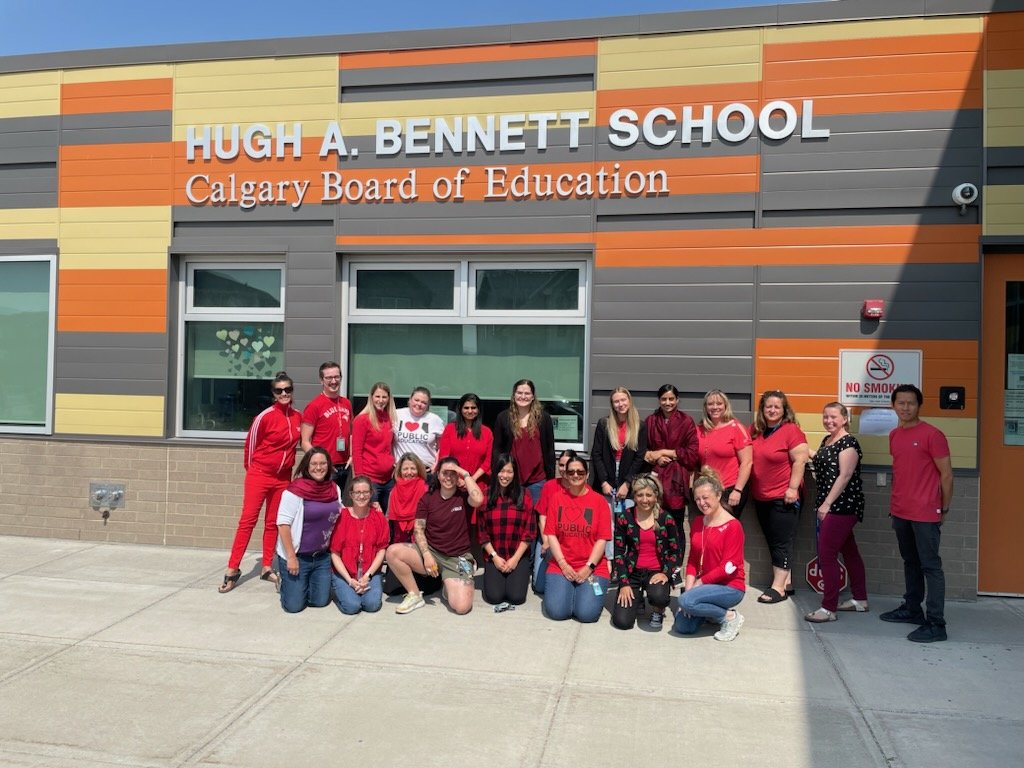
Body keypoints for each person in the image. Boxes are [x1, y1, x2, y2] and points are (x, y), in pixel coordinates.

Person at [881, 384, 953, 643]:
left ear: (919, 405)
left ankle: (936, 623)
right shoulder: (894, 435)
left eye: (911, 403)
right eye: (900, 403)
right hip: (901, 511)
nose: (905, 407)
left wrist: (944, 507)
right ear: (893, 405)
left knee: (931, 566)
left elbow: (946, 474)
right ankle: (913, 609)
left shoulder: (933, 435)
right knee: (910, 562)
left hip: (926, 512)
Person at [219, 371, 301, 593]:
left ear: (292, 391)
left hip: (282, 477)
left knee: (274, 521)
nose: (284, 393)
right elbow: (250, 448)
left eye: (288, 389)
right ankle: (232, 568)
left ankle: (266, 565)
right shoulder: (264, 416)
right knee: (247, 521)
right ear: (273, 394)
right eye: (279, 390)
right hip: (260, 475)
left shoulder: (297, 417)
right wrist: (255, 471)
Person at [384, 457, 484, 615]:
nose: (448, 477)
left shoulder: (464, 496)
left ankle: (447, 585)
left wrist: (464, 473)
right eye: (445, 473)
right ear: (438, 475)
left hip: (457, 558)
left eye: (453, 473)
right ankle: (415, 595)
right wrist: (426, 555)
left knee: (461, 607)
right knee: (392, 552)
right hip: (431, 552)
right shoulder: (428, 498)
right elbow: (418, 529)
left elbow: (478, 499)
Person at [805, 402, 868, 622]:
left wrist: (826, 504)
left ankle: (828, 608)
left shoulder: (848, 442)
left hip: (841, 507)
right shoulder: (827, 441)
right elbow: (822, 461)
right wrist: (806, 450)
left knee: (827, 555)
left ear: (844, 419)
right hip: (831, 506)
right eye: (825, 417)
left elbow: (845, 474)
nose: (829, 421)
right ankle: (860, 599)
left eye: (833, 417)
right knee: (850, 552)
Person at [750, 390, 809, 604]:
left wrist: (792, 489)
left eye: (777, 406)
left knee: (781, 542)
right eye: (768, 406)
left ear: (784, 410)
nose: (772, 410)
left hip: (784, 497)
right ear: (762, 409)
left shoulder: (791, 430)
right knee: (773, 541)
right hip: (761, 496)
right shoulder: (757, 431)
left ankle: (778, 588)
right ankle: (787, 583)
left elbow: (800, 460)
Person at [673, 467, 746, 641]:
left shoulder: (733, 526)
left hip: (730, 587)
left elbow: (728, 568)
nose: (701, 503)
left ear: (719, 495)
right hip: (703, 587)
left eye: (705, 497)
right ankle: (712, 613)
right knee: (683, 626)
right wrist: (690, 590)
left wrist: (698, 585)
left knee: (686, 602)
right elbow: (692, 560)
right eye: (697, 499)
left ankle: (729, 617)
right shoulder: (698, 522)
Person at [543, 456, 612, 623]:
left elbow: (602, 539)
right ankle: (571, 592)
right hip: (561, 564)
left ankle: (581, 594)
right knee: (557, 612)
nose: (575, 475)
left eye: (580, 471)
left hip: (593, 567)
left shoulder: (599, 502)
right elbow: (551, 534)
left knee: (586, 615)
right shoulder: (557, 499)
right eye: (571, 472)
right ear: (565, 475)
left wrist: (589, 567)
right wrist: (563, 564)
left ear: (587, 474)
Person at [275, 448, 343, 613]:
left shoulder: (334, 489)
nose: (318, 468)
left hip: (321, 557)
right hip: (298, 556)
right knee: (294, 606)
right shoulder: (294, 491)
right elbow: (283, 525)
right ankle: (284, 580)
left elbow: (341, 512)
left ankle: (304, 583)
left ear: (328, 466)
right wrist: (291, 557)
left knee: (320, 602)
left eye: (322, 463)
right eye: (314, 464)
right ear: (306, 466)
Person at [610, 474, 681, 630]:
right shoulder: (625, 517)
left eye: (649, 495)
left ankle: (658, 609)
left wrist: (666, 574)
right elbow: (619, 552)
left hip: (656, 572)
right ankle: (638, 599)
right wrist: (623, 583)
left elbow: (675, 552)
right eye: (640, 495)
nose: (644, 499)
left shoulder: (665, 518)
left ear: (656, 496)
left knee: (658, 596)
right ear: (634, 496)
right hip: (633, 571)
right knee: (622, 622)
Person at [643, 383, 700, 550]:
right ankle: (657, 565)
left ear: (677, 400)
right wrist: (655, 458)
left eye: (671, 399)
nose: (668, 402)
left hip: (676, 482)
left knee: (675, 526)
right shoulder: (651, 421)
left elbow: (692, 452)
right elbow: (642, 450)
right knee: (655, 524)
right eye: (664, 399)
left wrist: (665, 452)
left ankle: (675, 568)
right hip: (655, 479)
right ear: (659, 400)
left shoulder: (686, 421)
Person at [381, 453, 442, 597]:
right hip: (400, 544)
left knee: (427, 590)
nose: (409, 472)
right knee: (391, 590)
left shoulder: (426, 490)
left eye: (413, 468)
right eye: (405, 469)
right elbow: (390, 523)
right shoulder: (393, 492)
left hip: (421, 546)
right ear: (399, 471)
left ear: (419, 469)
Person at [477, 454, 535, 606]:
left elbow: (529, 532)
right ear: (495, 472)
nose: (505, 476)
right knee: (494, 597)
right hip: (494, 555)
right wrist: (495, 557)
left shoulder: (524, 495)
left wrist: (515, 559)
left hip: (517, 555)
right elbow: (482, 534)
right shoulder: (485, 496)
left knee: (516, 597)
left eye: (509, 471)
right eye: (501, 471)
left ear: (515, 473)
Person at [329, 475, 389, 615]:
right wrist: (350, 580)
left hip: (370, 573)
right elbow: (335, 553)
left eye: (365, 492)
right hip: (345, 573)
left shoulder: (378, 517)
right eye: (357, 492)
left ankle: (360, 589)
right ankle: (340, 589)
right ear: (351, 494)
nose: (361, 496)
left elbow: (381, 550)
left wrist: (367, 576)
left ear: (371, 493)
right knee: (352, 607)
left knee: (372, 605)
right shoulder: (342, 516)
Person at [493, 379, 555, 504]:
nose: (523, 396)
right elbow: (497, 450)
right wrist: (498, 474)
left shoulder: (543, 418)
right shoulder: (503, 418)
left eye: (527, 393)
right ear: (514, 395)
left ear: (533, 397)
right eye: (519, 393)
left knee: (535, 518)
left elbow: (549, 450)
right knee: (513, 516)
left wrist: (551, 478)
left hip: (537, 480)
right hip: (510, 479)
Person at [696, 389, 752, 516]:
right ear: (705, 407)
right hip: (707, 490)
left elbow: (747, 462)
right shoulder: (699, 429)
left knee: (726, 529)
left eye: (719, 404)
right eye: (710, 404)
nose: (715, 407)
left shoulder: (736, 428)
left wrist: (738, 490)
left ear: (726, 406)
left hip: (729, 489)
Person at [530, 448, 578, 595]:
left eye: (567, 465)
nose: (563, 469)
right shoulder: (549, 486)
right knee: (539, 587)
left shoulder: (581, 488)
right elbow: (542, 517)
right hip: (548, 538)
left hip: (571, 539)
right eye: (561, 465)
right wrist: (546, 541)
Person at [300, 361, 353, 488]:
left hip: (344, 466)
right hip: (325, 468)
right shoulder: (314, 406)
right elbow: (305, 441)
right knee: (323, 505)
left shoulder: (346, 403)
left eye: (336, 377)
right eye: (329, 378)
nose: (333, 381)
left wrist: (352, 456)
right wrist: (321, 462)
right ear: (321, 380)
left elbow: (351, 433)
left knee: (339, 505)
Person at [438, 393, 494, 504]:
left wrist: (471, 480)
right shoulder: (450, 429)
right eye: (466, 408)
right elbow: (444, 457)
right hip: (453, 482)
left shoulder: (487, 432)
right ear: (460, 409)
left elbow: (488, 461)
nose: (470, 411)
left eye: (473, 408)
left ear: (478, 410)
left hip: (478, 482)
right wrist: (458, 479)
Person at [351, 382, 396, 507]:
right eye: (377, 396)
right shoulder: (362, 420)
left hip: (389, 479)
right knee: (372, 517)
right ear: (371, 397)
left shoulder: (390, 418)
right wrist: (360, 481)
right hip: (370, 479)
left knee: (387, 518)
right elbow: (356, 451)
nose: (380, 400)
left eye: (384, 397)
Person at [393, 386, 445, 472]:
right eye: (416, 400)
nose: (419, 404)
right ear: (410, 400)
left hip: (426, 472)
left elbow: (442, 447)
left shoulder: (435, 420)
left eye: (424, 402)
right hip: (401, 472)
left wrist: (437, 465)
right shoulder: (396, 415)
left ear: (428, 405)